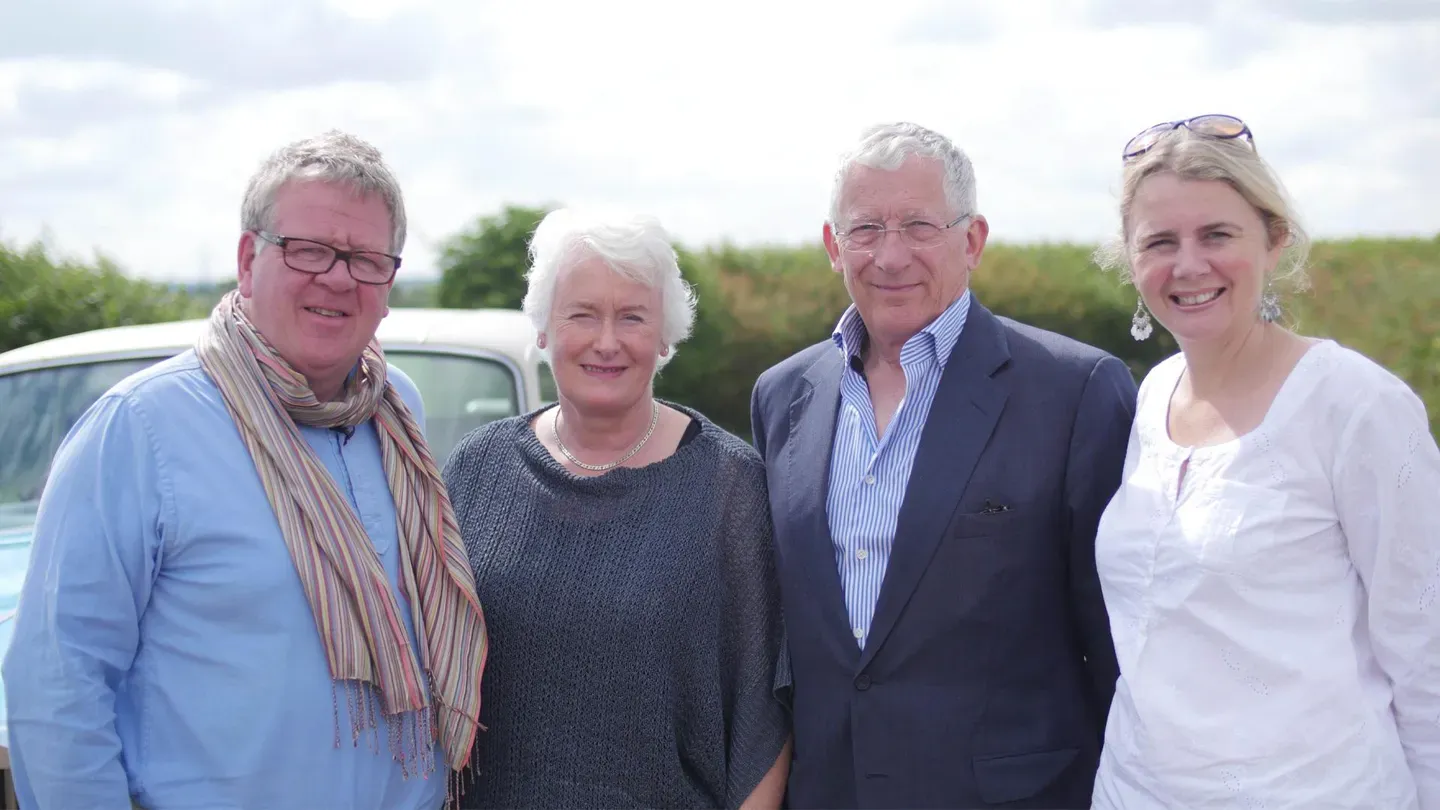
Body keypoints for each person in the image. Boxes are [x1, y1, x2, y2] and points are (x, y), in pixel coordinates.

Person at [1, 130, 488, 810]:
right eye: (310, 250)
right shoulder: (140, 430)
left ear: (389, 283)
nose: (338, 278)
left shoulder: (395, 407)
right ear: (246, 259)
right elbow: (57, 689)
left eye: (366, 260)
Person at [749, 121, 1137, 808]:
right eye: (866, 229)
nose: (890, 255)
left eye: (919, 226)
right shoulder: (783, 397)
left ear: (973, 240)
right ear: (833, 245)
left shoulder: (1075, 393)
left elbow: (1120, 649)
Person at [1089, 114, 1440, 808]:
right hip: (1135, 792)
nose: (1188, 265)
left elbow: (1425, 646)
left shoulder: (1354, 403)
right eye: (1160, 242)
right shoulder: (1154, 394)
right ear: (1132, 262)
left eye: (1217, 235)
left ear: (1274, 239)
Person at [442, 208, 792, 809]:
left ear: (664, 336)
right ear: (545, 328)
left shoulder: (728, 487)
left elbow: (764, 716)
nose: (607, 342)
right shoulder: (477, 471)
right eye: (582, 314)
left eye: (632, 316)